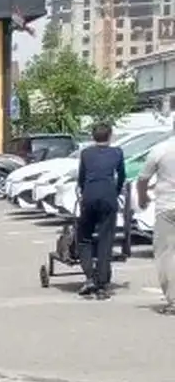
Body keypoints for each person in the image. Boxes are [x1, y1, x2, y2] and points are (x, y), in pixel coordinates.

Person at [74, 122, 126, 298]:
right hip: (108, 198)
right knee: (106, 240)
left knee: (84, 238)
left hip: (89, 197)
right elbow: (122, 177)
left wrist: (84, 192)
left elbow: (81, 177)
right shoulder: (117, 153)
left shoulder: (86, 153)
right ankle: (102, 284)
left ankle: (89, 277)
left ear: (92, 137)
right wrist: (116, 192)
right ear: (110, 136)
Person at [137, 129, 175, 314]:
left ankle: (173, 301)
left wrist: (142, 198)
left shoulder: (161, 149)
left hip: (167, 207)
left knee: (166, 254)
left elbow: (143, 179)